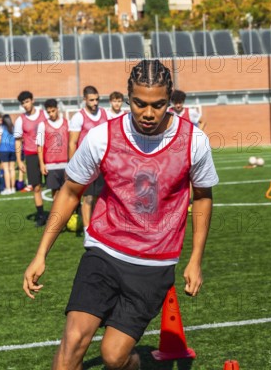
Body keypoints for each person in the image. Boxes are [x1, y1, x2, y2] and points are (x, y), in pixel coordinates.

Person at [23, 60, 218, 370]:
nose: (149, 113)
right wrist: (41, 253)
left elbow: (203, 197)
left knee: (115, 357)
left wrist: (195, 259)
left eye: (159, 104)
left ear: (170, 100)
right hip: (104, 251)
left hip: (154, 264)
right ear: (128, 97)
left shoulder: (193, 141)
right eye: (140, 103)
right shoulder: (102, 137)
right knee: (73, 341)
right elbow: (71, 191)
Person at [68, 85, 108, 230]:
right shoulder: (79, 117)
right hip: (86, 164)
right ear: (85, 100)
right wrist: (73, 165)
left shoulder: (105, 113)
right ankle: (87, 231)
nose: (95, 103)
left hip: (103, 164)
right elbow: (72, 142)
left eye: (97, 99)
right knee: (88, 198)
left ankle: (97, 226)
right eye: (91, 100)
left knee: (101, 197)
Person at [15, 91, 48, 226]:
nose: (25, 105)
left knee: (55, 187)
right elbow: (18, 141)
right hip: (31, 155)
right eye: (23, 103)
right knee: (36, 187)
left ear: (33, 100)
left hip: (47, 154)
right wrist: (19, 160)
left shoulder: (44, 114)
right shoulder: (20, 120)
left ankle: (58, 216)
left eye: (27, 101)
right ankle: (41, 216)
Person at [37, 99, 69, 201]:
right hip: (50, 166)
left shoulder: (67, 123)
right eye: (48, 112)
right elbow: (39, 146)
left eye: (53, 111)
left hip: (66, 164)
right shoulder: (42, 125)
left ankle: (72, 215)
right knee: (55, 193)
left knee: (68, 192)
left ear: (57, 109)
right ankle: (57, 216)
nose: (51, 114)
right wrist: (42, 164)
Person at [0, 114, 17, 195]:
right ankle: (13, 188)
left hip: (4, 149)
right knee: (12, 169)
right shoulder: (13, 127)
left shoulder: (1, 128)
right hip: (13, 149)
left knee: (6, 169)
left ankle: (8, 189)